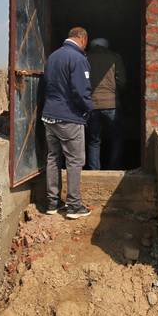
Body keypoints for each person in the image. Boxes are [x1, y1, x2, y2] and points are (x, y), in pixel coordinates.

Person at [41, 26, 93, 219]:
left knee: (53, 158)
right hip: (69, 117)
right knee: (75, 160)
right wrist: (88, 109)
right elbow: (81, 91)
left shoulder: (53, 57)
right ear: (82, 39)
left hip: (49, 116)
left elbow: (47, 85)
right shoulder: (78, 58)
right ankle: (74, 206)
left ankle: (52, 203)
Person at [85, 37, 126, 170]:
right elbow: (122, 81)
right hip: (111, 103)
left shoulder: (85, 57)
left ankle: (94, 170)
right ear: (106, 46)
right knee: (116, 138)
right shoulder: (114, 57)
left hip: (92, 104)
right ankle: (114, 168)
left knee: (94, 141)